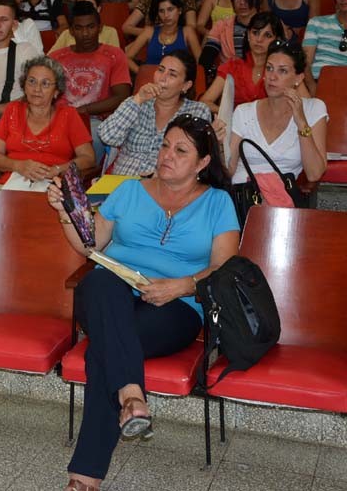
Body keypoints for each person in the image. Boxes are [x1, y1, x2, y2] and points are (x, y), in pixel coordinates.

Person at [47, 114, 239, 491]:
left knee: (103, 350)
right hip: (109, 294)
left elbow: (222, 270)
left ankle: (83, 479)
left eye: (181, 150)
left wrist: (181, 286)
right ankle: (131, 393)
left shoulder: (218, 202)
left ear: (203, 163)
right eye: (165, 145)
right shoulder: (130, 190)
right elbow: (90, 245)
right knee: (102, 280)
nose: (167, 155)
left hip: (176, 306)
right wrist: (64, 213)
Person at [0, 56, 95, 247]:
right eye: (32, 82)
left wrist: (57, 169)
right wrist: (18, 166)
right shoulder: (12, 110)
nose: (37, 89)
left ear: (56, 91)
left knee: (34, 231)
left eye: (45, 84)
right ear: (24, 85)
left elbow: (88, 158)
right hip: (11, 182)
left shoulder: (69, 115)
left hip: (53, 186)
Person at [228, 40, 328, 187]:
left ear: (298, 78)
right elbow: (228, 171)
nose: (272, 77)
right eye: (269, 68)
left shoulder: (314, 109)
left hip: (281, 200)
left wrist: (301, 122)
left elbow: (314, 174)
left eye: (282, 71)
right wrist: (219, 147)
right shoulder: (243, 111)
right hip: (243, 194)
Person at [99, 50, 212, 176]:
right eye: (160, 70)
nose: (162, 78)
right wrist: (137, 100)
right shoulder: (137, 103)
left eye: (172, 75)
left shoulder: (197, 111)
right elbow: (107, 137)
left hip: (165, 185)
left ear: (186, 85)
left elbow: (194, 157)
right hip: (123, 183)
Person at [49, 2, 132, 162]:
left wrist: (83, 111)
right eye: (79, 28)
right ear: (71, 30)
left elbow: (122, 96)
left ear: (100, 28)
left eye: (90, 27)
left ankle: (70, 181)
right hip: (57, 118)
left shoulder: (114, 55)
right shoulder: (56, 58)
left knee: (90, 139)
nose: (85, 33)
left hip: (95, 120)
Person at [199, 12, 284, 114]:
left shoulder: (283, 69)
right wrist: (233, 114)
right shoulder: (232, 66)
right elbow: (205, 102)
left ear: (277, 40)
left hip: (272, 125)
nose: (259, 39)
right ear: (248, 34)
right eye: (255, 33)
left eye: (267, 35)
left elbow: (305, 102)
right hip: (236, 125)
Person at [124, 0, 201, 74]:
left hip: (176, 83)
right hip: (150, 82)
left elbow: (200, 62)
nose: (166, 15)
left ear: (179, 10)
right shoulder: (149, 31)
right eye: (161, 11)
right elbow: (127, 57)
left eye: (170, 9)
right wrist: (142, 73)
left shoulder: (188, 32)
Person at [201, 0, 264, 69]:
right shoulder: (221, 26)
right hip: (228, 79)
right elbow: (207, 55)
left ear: (259, 0)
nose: (242, 2)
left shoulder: (269, 26)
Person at [47, 0, 122, 54]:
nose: (85, 8)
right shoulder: (67, 34)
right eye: (81, 4)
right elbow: (49, 61)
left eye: (89, 5)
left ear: (99, 9)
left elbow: (116, 60)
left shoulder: (110, 33)